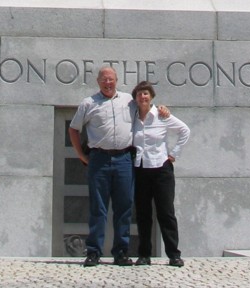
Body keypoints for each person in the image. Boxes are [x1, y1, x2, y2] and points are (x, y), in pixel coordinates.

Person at [69, 66, 136, 267]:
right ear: (98, 82)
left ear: (117, 80)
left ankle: (121, 252)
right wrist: (81, 155)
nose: (108, 83)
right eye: (104, 80)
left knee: (124, 207)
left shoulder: (128, 101)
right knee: (98, 208)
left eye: (111, 79)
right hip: (99, 160)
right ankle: (94, 252)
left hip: (124, 159)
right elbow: (73, 129)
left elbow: (146, 112)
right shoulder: (89, 103)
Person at [131, 81, 190, 267]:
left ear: (152, 97)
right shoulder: (132, 116)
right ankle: (144, 255)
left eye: (146, 94)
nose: (143, 97)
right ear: (135, 98)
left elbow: (184, 131)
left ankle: (174, 254)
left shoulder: (161, 115)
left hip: (161, 168)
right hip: (140, 168)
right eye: (140, 94)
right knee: (143, 214)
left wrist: (173, 154)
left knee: (166, 212)